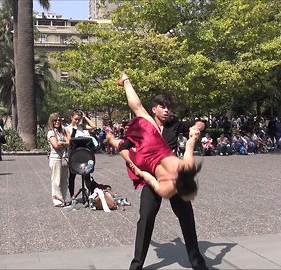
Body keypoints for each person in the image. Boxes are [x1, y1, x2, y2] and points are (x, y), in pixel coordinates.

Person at [108, 72, 207, 270]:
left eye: (169, 108)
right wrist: (194, 136)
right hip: (151, 153)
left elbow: (196, 130)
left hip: (149, 161)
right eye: (163, 107)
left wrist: (196, 128)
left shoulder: (175, 127)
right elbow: (189, 145)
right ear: (155, 109)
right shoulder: (183, 168)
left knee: (186, 217)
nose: (167, 111)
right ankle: (137, 265)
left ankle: (198, 263)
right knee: (146, 218)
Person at [66, 109, 96, 198]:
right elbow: (70, 140)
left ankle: (91, 195)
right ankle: (72, 196)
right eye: (75, 119)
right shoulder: (67, 128)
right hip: (74, 154)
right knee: (72, 176)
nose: (77, 121)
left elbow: (93, 126)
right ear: (71, 118)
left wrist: (85, 117)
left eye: (79, 119)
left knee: (87, 175)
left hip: (84, 153)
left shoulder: (82, 126)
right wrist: (74, 130)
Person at [47, 113, 71, 207]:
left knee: (64, 180)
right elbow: (56, 145)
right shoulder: (51, 132)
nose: (57, 122)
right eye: (55, 120)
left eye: (58, 120)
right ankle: (58, 200)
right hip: (56, 158)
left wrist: (63, 141)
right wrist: (63, 143)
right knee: (56, 180)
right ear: (51, 121)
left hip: (64, 158)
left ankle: (64, 198)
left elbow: (69, 142)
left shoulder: (61, 132)